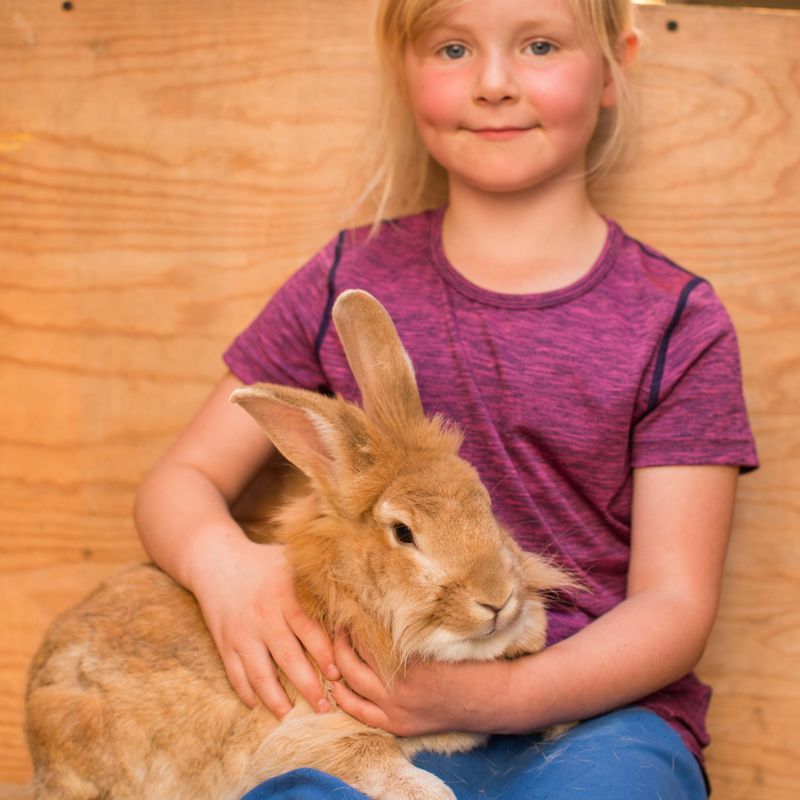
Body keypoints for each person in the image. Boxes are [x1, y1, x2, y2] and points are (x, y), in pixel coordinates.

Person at [134, 0, 758, 798]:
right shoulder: (344, 277)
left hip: (595, 714)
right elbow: (176, 483)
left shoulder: (677, 321)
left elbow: (675, 605)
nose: (494, 84)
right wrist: (226, 570)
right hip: (369, 702)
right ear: (405, 69)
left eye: (538, 45)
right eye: (454, 48)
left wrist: (497, 697)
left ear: (615, 65)